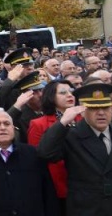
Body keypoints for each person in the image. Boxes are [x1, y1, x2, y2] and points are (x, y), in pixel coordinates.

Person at [0, 108, 59, 215]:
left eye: (7, 124)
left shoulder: (32, 153)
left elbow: (48, 193)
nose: (2, 128)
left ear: (13, 128)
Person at [38, 83, 112, 214]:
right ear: (83, 111)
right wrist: (62, 123)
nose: (101, 113)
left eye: (105, 107)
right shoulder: (71, 135)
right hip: (86, 208)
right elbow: (45, 153)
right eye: (94, 108)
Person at [28, 80, 80, 212]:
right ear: (51, 97)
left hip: (84, 186)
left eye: (72, 92)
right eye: (63, 93)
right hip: (57, 187)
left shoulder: (83, 119)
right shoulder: (38, 124)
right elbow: (36, 159)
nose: (70, 95)